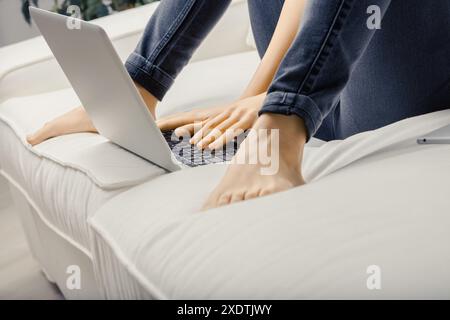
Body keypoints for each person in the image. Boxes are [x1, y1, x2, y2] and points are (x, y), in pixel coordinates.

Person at [27, 0, 450, 210]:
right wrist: (261, 94)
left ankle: (286, 125)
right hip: (332, 75)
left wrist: (286, 111)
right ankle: (140, 85)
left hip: (409, 76)